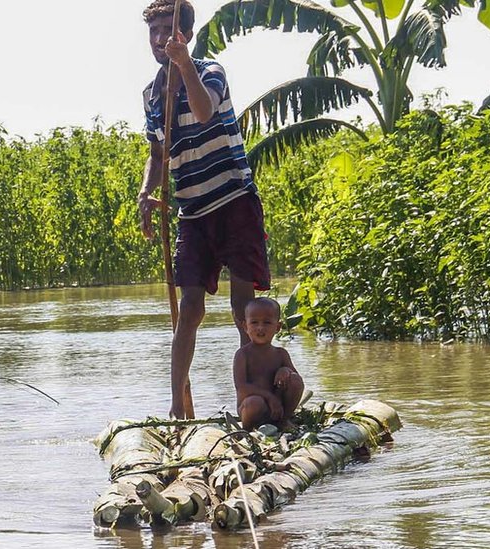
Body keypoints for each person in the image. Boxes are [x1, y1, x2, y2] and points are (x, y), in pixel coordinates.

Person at [136, 0, 270, 419]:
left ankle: (255, 397)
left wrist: (184, 65)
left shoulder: (210, 71)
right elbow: (158, 154)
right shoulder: (151, 94)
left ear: (185, 34)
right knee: (189, 305)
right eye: (154, 32)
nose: (160, 40)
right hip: (192, 212)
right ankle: (179, 408)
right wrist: (146, 194)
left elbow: (204, 110)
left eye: (167, 31)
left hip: (234, 200)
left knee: (241, 306)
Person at [232, 297, 304, 431]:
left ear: (277, 327)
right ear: (245, 326)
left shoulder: (281, 353)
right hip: (254, 406)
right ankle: (247, 430)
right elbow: (242, 387)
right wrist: (269, 397)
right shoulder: (243, 354)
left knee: (295, 380)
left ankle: (283, 421)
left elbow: (298, 381)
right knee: (254, 403)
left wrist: (285, 370)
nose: (260, 328)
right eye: (254, 322)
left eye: (267, 322)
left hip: (277, 407)